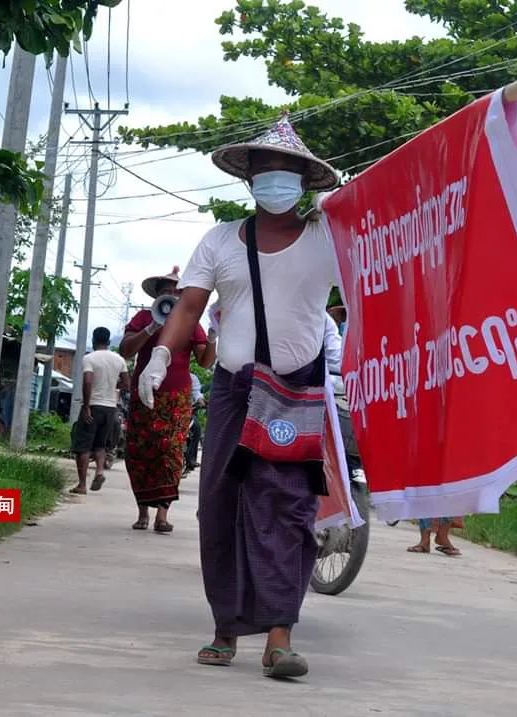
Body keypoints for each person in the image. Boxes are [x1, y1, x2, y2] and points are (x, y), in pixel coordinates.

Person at [138, 115, 339, 678]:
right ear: (249, 178)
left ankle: (280, 636)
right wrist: (160, 355)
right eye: (266, 171)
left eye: (288, 172)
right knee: (220, 507)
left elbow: (389, 246)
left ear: (305, 181)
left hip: (297, 390)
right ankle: (226, 628)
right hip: (233, 390)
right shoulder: (220, 239)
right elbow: (188, 307)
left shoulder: (330, 236)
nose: (276, 181)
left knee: (289, 509)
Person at [120, 268, 216, 533]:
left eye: (176, 291)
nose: (170, 295)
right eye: (166, 291)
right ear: (157, 294)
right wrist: (152, 326)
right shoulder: (142, 318)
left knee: (170, 452)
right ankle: (142, 513)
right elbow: (126, 350)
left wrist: (212, 337)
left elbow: (206, 361)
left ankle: (162, 515)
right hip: (144, 393)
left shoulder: (190, 323)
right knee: (139, 451)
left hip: (176, 397)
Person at [69, 327, 128, 495]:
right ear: (109, 342)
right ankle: (100, 472)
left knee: (83, 446)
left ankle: (81, 485)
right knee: (100, 445)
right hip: (111, 408)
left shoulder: (89, 358)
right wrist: (112, 387)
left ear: (94, 340)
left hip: (94, 406)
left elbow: (88, 381)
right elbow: (126, 384)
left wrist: (86, 406)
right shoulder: (119, 359)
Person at [185, 372, 205, 474]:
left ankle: (191, 459)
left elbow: (197, 393)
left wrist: (201, 401)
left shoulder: (192, 378)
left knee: (196, 428)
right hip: (168, 410)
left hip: (188, 411)